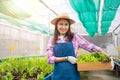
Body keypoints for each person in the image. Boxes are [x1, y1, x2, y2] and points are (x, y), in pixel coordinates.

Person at [46, 12, 108, 80]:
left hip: (73, 74)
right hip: (58, 75)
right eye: (61, 24)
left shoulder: (74, 37)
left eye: (66, 24)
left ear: (69, 26)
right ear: (56, 26)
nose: (63, 27)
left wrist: (105, 54)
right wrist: (67, 58)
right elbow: (50, 59)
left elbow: (90, 46)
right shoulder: (52, 40)